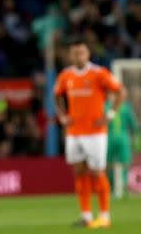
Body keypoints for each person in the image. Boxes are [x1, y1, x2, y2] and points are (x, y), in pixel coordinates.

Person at [54, 37, 124, 228]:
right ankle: (86, 216)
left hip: (95, 131)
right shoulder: (65, 76)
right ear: (70, 54)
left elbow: (120, 91)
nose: (78, 55)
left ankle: (104, 216)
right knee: (79, 171)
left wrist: (110, 114)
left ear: (88, 53)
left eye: (82, 52)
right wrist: (63, 116)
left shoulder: (99, 73)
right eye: (75, 52)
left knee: (96, 171)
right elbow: (57, 95)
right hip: (74, 131)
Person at [106, 98, 139, 199]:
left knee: (123, 163)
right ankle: (112, 188)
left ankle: (121, 187)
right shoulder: (105, 106)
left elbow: (133, 124)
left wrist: (136, 136)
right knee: (109, 164)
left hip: (122, 137)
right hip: (109, 137)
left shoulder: (125, 107)